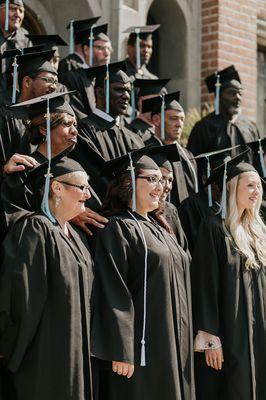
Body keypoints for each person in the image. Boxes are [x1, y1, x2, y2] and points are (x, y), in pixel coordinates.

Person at [91, 149, 195, 400]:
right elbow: (113, 290)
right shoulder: (118, 228)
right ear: (128, 183)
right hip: (141, 347)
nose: (160, 187)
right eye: (151, 179)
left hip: (174, 339)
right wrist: (121, 348)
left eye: (161, 180)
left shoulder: (162, 227)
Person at [0, 156, 95, 400]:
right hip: (43, 354)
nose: (88, 194)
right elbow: (22, 296)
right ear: (57, 188)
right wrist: (15, 348)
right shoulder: (34, 229)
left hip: (74, 352)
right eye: (82, 187)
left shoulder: (75, 237)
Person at [190, 151, 266, 400]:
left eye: (258, 186)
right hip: (230, 333)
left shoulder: (258, 232)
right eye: (250, 185)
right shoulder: (213, 228)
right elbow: (205, 284)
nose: (256, 192)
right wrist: (211, 337)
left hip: (260, 328)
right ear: (232, 188)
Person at [0, 92, 107, 243]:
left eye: (75, 124)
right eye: (66, 124)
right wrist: (66, 213)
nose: (75, 131)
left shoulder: (74, 169)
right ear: (44, 128)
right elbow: (14, 220)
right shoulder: (25, 171)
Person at [77, 61, 144, 200]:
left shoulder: (134, 138)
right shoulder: (84, 130)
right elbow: (95, 177)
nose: (126, 96)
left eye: (128, 91)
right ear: (100, 92)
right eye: (119, 89)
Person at [187, 65, 263, 185]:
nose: (238, 98)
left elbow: (259, 163)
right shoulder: (203, 127)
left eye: (240, 93)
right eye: (232, 93)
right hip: (215, 195)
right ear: (219, 95)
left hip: (246, 192)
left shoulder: (250, 127)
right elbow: (193, 166)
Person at [141, 92, 198, 208]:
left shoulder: (188, 156)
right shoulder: (145, 151)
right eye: (174, 119)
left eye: (182, 119)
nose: (179, 124)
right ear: (157, 120)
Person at [61, 24, 112, 120]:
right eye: (101, 48)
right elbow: (77, 113)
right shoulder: (72, 77)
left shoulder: (104, 79)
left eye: (109, 48)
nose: (107, 53)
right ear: (86, 50)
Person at [0, 0, 31, 93]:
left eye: (21, 11)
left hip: (14, 98)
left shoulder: (25, 37)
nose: (17, 14)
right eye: (13, 9)